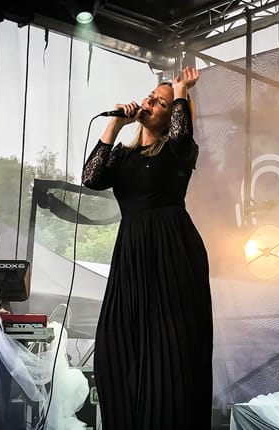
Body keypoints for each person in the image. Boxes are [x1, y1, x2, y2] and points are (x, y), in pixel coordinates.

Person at [82, 65, 213, 429]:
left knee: (170, 352)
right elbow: (91, 178)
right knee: (115, 348)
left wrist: (181, 91)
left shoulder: (177, 150)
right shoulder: (122, 157)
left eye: (161, 103)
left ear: (171, 116)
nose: (151, 102)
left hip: (172, 253)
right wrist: (115, 124)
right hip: (132, 254)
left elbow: (182, 133)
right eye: (151, 97)